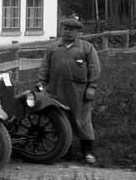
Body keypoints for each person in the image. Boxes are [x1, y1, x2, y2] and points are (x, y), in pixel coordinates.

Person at [38, 17, 101, 165]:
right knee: (60, 121)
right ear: (61, 30)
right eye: (65, 29)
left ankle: (88, 152)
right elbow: (44, 66)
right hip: (56, 90)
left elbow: (94, 68)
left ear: (78, 32)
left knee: (82, 120)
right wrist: (41, 83)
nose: (68, 33)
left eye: (72, 30)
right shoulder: (53, 48)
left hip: (79, 92)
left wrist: (92, 87)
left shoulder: (86, 48)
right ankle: (64, 151)